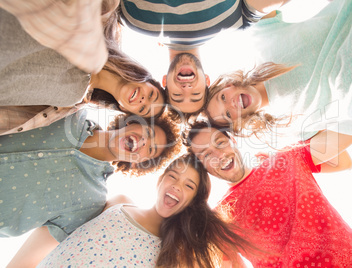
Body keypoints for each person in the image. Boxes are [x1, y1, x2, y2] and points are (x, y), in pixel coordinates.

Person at [183, 121, 352, 267]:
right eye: (206, 155)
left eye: (220, 143)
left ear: (233, 141)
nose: (219, 155)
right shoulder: (219, 218)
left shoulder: (286, 158)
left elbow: (343, 160)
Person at [205, 0, 352, 148]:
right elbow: (349, 127)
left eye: (222, 97)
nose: (230, 103)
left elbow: (256, 6)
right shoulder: (291, 129)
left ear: (227, 85)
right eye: (228, 115)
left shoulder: (261, 38)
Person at [8, 154, 257, 267]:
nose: (176, 186)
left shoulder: (175, 253)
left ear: (192, 202)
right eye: (173, 176)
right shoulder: (118, 202)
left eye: (188, 185)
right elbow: (57, 233)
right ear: (160, 181)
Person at [0, 108, 181, 243]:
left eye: (150, 149)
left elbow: (39, 248)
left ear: (140, 162)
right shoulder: (70, 112)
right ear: (132, 121)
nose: (143, 142)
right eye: (147, 133)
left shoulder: (91, 202)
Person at [0, 2, 166, 137]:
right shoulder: (103, 24)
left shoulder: (71, 97)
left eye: (143, 109)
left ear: (124, 109)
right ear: (146, 78)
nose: (144, 100)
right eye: (152, 95)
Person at [119, 0, 290, 116]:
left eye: (178, 95)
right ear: (206, 80)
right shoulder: (237, 23)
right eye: (195, 94)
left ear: (165, 81)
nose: (186, 87)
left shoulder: (132, 21)